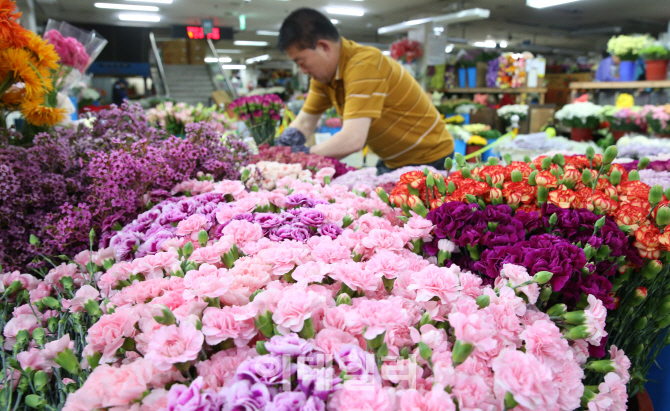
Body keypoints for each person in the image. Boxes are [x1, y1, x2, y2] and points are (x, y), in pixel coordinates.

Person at [275, 8, 454, 175]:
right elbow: (305, 123)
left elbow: (352, 139)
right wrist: (281, 149)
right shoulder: (324, 77)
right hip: (392, 161)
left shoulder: (364, 64)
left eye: (301, 62)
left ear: (324, 47)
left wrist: (301, 156)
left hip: (430, 158)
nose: (303, 71)